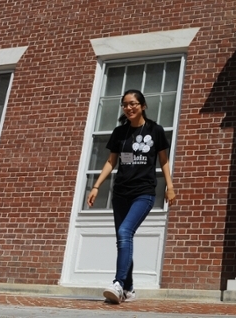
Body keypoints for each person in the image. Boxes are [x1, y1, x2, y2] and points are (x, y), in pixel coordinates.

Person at [86, 89, 176, 304]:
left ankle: (118, 283)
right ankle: (128, 289)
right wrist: (96, 186)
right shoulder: (120, 133)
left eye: (133, 103)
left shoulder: (155, 130)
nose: (129, 108)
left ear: (142, 105)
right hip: (120, 194)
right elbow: (111, 161)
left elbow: (163, 160)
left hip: (143, 193)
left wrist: (170, 186)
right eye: (125, 104)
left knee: (125, 232)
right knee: (123, 239)